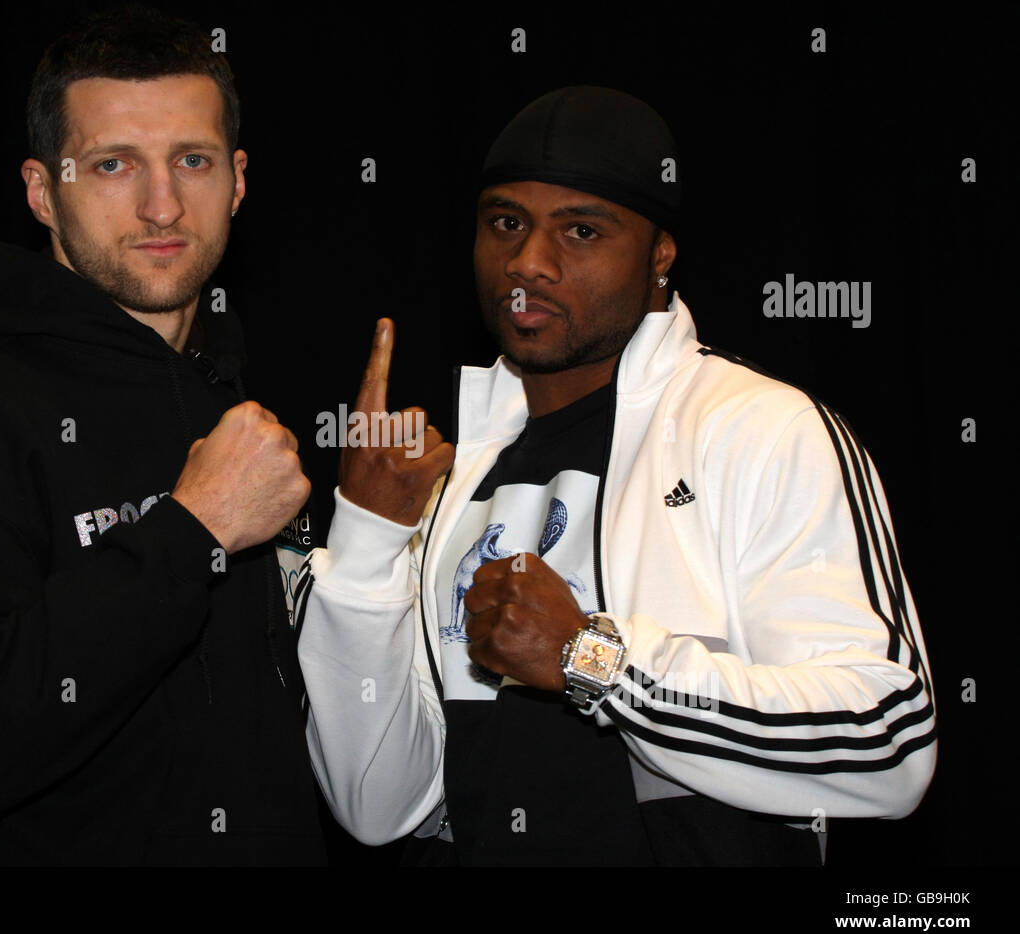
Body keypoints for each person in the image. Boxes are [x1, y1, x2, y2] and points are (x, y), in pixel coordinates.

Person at [294, 86, 936, 865]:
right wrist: (365, 540)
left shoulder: (759, 430)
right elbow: (379, 806)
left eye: (582, 231)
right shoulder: (448, 476)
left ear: (660, 256)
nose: (528, 262)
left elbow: (887, 745)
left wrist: (590, 660)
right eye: (506, 223)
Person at [0, 6, 324, 864]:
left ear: (238, 180)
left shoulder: (235, 402)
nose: (162, 203)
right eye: (112, 165)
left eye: (192, 161)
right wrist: (190, 532)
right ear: (40, 190)